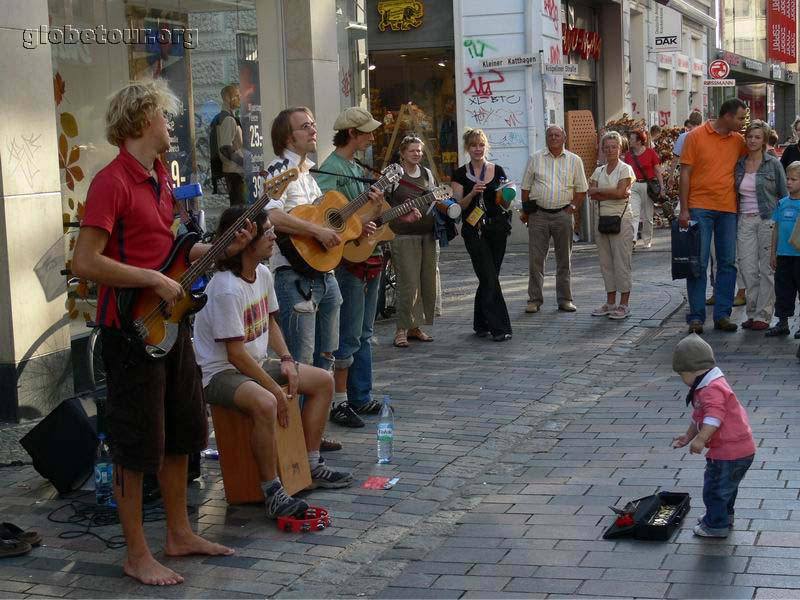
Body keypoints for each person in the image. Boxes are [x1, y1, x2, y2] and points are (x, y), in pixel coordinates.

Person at [72, 80, 249, 586]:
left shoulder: (159, 178)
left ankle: (179, 533)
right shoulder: (112, 182)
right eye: (166, 117)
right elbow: (86, 261)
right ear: (141, 120)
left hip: (169, 327)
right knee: (135, 444)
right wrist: (153, 279)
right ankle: (136, 554)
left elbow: (163, 251)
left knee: (180, 434)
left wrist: (207, 251)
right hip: (129, 333)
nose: (172, 125)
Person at [193, 206, 352, 513]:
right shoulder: (226, 288)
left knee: (322, 381)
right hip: (220, 373)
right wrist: (273, 388)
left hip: (251, 364)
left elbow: (271, 321)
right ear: (245, 240)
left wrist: (288, 358)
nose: (273, 237)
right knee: (267, 402)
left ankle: (311, 464)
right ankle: (272, 490)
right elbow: (234, 353)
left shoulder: (263, 273)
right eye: (266, 232)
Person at [314, 108, 397, 428]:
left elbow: (361, 214)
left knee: (364, 331)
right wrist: (357, 224)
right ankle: (342, 400)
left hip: (366, 254)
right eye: (367, 132)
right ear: (351, 134)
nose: (372, 137)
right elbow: (325, 214)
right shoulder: (332, 168)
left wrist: (375, 213)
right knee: (349, 334)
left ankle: (360, 395)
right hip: (347, 259)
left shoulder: (354, 166)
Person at [264, 107, 344, 373]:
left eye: (313, 124)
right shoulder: (279, 171)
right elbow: (272, 215)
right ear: (288, 138)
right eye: (305, 126)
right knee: (300, 363)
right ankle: (297, 415)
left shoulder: (309, 175)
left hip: (325, 273)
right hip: (294, 276)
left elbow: (323, 220)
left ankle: (323, 413)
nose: (313, 130)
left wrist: (366, 219)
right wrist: (316, 231)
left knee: (327, 355)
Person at [671, 334, 755, 538]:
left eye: (681, 374)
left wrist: (700, 440)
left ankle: (715, 526)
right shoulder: (707, 385)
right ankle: (724, 517)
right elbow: (698, 416)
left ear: (692, 370)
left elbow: (713, 418)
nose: (682, 379)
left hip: (728, 452)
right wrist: (689, 436)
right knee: (727, 488)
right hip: (740, 450)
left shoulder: (712, 389)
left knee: (714, 490)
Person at [678, 98, 747, 334]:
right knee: (699, 262)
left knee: (727, 263)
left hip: (728, 208)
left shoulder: (738, 141)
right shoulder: (695, 136)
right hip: (699, 207)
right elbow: (684, 174)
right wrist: (684, 209)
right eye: (740, 118)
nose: (742, 122)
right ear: (726, 116)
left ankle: (722, 315)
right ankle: (696, 317)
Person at [451, 128, 513, 341]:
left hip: (497, 228)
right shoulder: (460, 173)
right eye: (473, 145)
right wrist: (472, 193)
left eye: (481, 145)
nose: (478, 149)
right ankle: (500, 327)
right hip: (473, 230)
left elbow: (505, 203)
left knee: (489, 277)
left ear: (486, 146)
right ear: (467, 148)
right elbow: (458, 205)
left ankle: (481, 323)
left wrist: (506, 195)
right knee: (488, 275)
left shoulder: (497, 169)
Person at [520, 125, 588, 313]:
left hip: (563, 215)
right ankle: (534, 299)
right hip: (538, 215)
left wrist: (572, 208)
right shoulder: (535, 158)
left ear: (564, 137)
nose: (554, 138)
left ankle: (565, 299)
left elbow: (582, 189)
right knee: (536, 260)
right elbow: (525, 188)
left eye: (557, 135)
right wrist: (526, 213)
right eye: (550, 135)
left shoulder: (574, 160)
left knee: (564, 259)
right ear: (546, 138)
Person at [734, 120, 786, 331]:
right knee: (747, 268)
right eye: (750, 137)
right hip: (744, 220)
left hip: (768, 220)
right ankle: (752, 310)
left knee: (766, 269)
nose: (753, 140)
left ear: (764, 140)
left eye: (757, 137)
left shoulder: (772, 163)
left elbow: (783, 194)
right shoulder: (739, 163)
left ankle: (763, 315)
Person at [388, 135, 438, 348]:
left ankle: (415, 327)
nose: (417, 154)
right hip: (403, 235)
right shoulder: (393, 174)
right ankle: (401, 329)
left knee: (424, 282)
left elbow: (435, 197)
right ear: (402, 153)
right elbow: (380, 202)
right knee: (407, 283)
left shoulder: (426, 173)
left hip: (426, 234)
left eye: (419, 150)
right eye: (412, 151)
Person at [588, 131, 635, 320]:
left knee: (622, 262)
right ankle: (610, 302)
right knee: (606, 263)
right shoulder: (598, 170)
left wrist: (600, 190)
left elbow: (620, 192)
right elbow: (592, 193)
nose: (609, 150)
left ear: (620, 148)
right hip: (603, 219)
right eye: (606, 147)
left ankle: (624, 304)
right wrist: (611, 192)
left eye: (613, 147)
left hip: (621, 219)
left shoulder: (625, 169)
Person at [766, 161, 800, 338]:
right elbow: (777, 228)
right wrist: (773, 252)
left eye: (793, 179)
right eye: (787, 178)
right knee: (783, 290)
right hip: (784, 254)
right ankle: (783, 322)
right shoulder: (783, 203)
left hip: (798, 255)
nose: (788, 182)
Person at [625, 129, 665, 249]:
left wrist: (662, 187)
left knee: (648, 215)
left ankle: (647, 240)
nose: (629, 141)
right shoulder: (628, 155)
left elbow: (657, 171)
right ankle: (632, 240)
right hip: (634, 186)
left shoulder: (650, 153)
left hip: (648, 187)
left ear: (638, 141)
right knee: (634, 214)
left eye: (632, 139)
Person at [215, 85, 246, 206]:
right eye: (237, 96)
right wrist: (242, 162)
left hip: (234, 170)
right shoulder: (228, 119)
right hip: (234, 171)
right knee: (239, 206)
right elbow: (225, 148)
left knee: (238, 205)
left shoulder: (227, 117)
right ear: (228, 98)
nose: (240, 98)